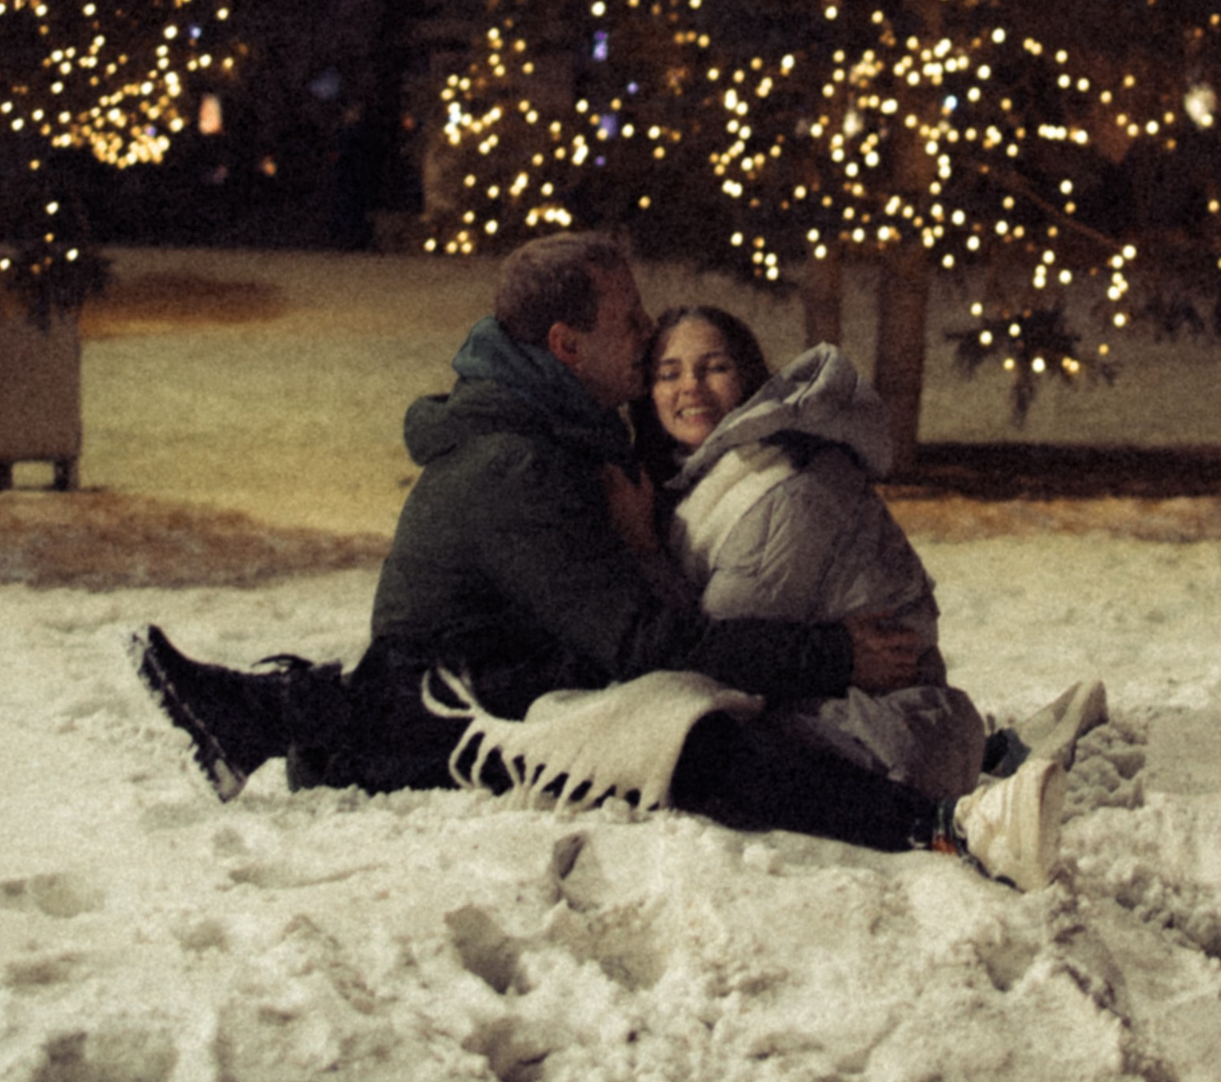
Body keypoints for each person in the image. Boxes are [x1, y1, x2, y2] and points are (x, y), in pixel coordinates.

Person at [130, 232, 1065, 887]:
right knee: (678, 731)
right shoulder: (522, 464)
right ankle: (936, 830)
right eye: (633, 327)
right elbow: (647, 641)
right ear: (567, 346)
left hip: (499, 686)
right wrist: (835, 658)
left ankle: (263, 713)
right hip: (478, 705)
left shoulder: (563, 434)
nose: (652, 340)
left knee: (667, 710)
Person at [644, 303, 1101, 796]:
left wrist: (640, 547)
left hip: (895, 742)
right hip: (885, 722)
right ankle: (1003, 751)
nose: (690, 385)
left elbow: (718, 654)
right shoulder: (710, 478)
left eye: (715, 367)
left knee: (694, 742)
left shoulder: (780, 485)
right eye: (669, 373)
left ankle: (1003, 769)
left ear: (749, 376)